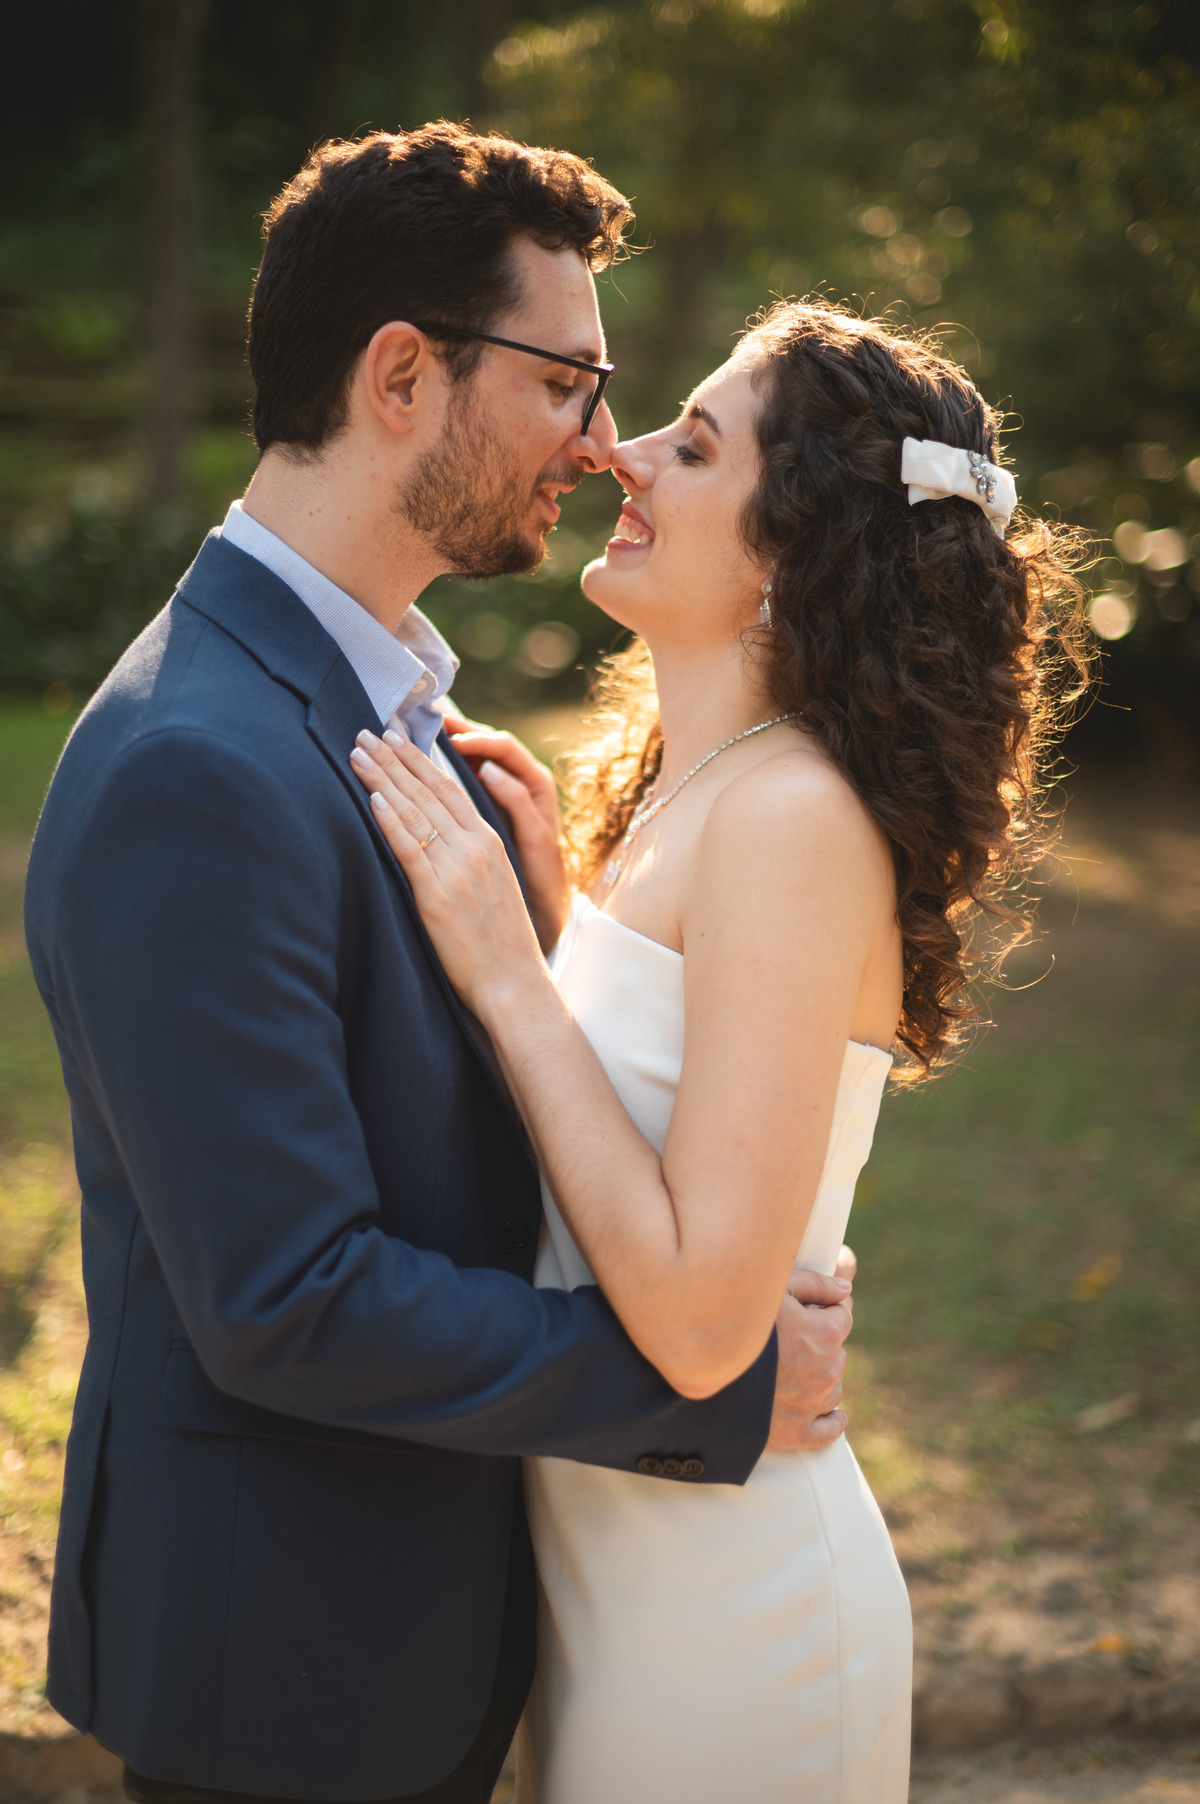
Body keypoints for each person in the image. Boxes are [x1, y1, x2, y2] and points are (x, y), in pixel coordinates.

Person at [23, 126, 857, 1804]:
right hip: (293, 1677)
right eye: (569, 383)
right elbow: (288, 1298)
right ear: (403, 374)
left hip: (440, 1628)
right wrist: (703, 1381)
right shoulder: (199, 761)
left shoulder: (386, 713)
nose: (603, 445)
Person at [349, 300, 1092, 1803]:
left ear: (796, 543)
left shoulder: (794, 822)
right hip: (609, 1577)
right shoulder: (685, 803)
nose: (621, 456)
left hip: (727, 1623)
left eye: (692, 446)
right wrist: (563, 930)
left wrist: (511, 973)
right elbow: (650, 1112)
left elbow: (700, 1329)